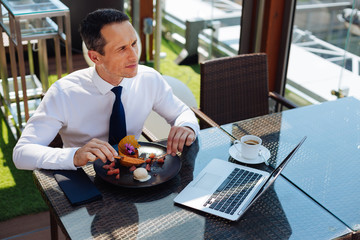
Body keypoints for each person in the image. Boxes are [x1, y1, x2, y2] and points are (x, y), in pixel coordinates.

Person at [12, 8, 199, 170]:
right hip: (85, 178)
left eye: (134, 44)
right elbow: (22, 153)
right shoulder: (63, 93)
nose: (134, 56)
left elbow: (182, 112)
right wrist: (75, 156)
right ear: (95, 58)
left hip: (135, 172)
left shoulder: (148, 78)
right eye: (121, 49)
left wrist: (186, 126)